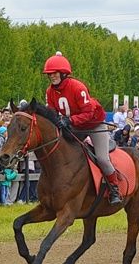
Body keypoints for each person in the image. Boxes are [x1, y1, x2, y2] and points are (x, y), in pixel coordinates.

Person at [42, 51, 123, 205]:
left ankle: (114, 189)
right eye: (49, 74)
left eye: (55, 73)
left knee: (102, 158)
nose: (52, 76)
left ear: (64, 73)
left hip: (93, 124)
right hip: (74, 126)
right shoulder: (50, 92)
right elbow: (52, 112)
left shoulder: (77, 87)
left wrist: (69, 120)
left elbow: (88, 112)